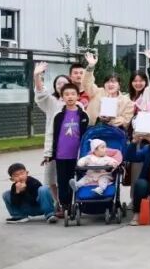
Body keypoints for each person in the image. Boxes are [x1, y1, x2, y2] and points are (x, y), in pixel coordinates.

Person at [33, 62, 67, 218]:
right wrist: (37, 75)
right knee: (52, 176)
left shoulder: (77, 104)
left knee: (68, 177)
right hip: (54, 146)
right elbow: (41, 92)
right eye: (58, 83)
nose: (61, 85)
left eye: (65, 83)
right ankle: (58, 202)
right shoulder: (52, 102)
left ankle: (69, 203)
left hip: (71, 147)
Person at [51, 84, 89, 217]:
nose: (70, 97)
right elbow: (53, 134)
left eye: (73, 94)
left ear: (78, 96)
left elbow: (85, 135)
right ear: (62, 97)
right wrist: (50, 153)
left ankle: (79, 203)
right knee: (62, 181)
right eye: (66, 94)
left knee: (77, 180)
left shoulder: (83, 115)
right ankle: (65, 206)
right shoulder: (58, 116)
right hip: (61, 155)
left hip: (77, 156)